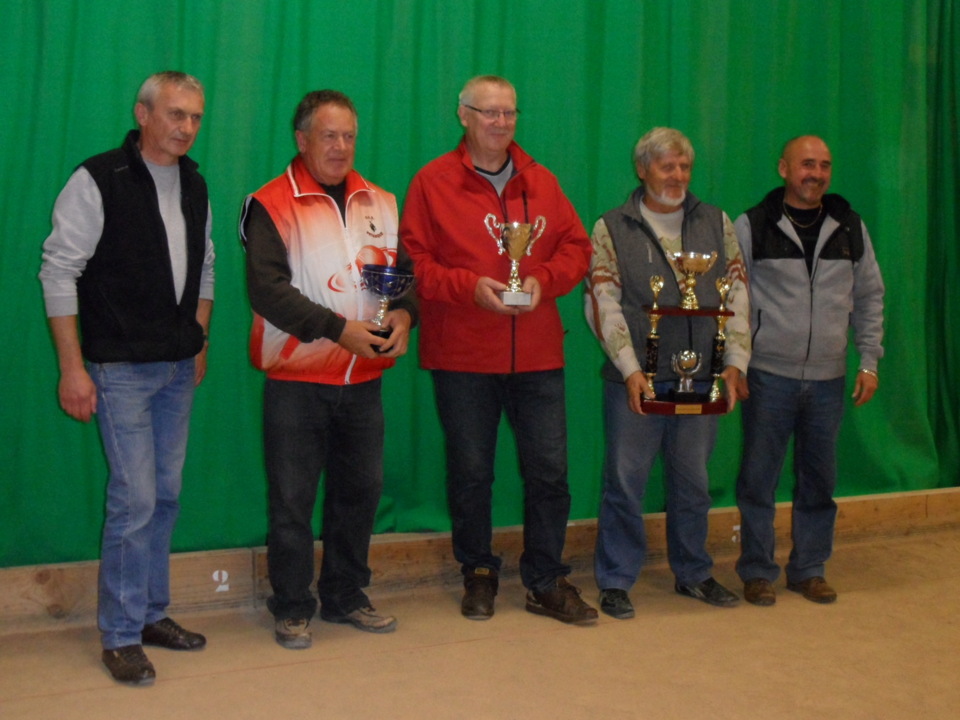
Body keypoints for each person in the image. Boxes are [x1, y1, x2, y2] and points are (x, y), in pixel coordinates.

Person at [399, 75, 597, 625]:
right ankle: (479, 572)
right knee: (471, 473)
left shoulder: (542, 180)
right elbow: (414, 264)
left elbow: (577, 247)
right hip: (462, 355)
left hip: (537, 355)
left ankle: (545, 579)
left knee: (550, 473)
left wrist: (542, 280)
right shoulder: (432, 182)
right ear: (463, 115)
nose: (501, 122)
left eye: (509, 112)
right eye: (489, 112)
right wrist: (470, 288)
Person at [39, 71, 214, 685]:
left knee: (164, 496)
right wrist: (71, 368)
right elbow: (58, 271)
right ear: (143, 114)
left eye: (195, 117)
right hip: (118, 371)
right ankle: (119, 634)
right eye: (175, 114)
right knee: (134, 500)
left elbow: (206, 265)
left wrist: (198, 338)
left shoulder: (195, 183)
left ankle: (149, 614)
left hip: (177, 368)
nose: (187, 127)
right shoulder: (98, 179)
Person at [241, 90, 416, 649]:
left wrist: (406, 317)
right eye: (328, 136)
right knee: (292, 502)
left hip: (364, 384)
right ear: (302, 140)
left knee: (360, 493)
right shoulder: (270, 202)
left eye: (348, 136)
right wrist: (339, 331)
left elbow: (403, 277)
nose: (340, 147)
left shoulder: (381, 201)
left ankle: (346, 594)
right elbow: (267, 290)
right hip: (296, 382)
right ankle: (292, 605)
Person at [584, 127, 750, 619]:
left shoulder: (716, 222)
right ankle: (616, 580)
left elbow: (739, 293)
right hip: (637, 380)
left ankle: (694, 572)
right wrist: (629, 369)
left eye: (684, 167)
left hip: (702, 377)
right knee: (624, 481)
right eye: (666, 166)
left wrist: (735, 363)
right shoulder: (612, 227)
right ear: (642, 170)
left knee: (694, 482)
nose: (677, 176)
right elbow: (602, 304)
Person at [734, 135, 885, 606]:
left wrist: (869, 361)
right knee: (758, 480)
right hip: (767, 376)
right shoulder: (751, 224)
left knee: (819, 481)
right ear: (784, 168)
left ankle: (809, 569)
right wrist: (736, 364)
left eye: (824, 165)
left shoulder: (850, 226)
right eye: (806, 164)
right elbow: (733, 300)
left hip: (828, 379)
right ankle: (757, 571)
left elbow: (870, 296)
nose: (816, 174)